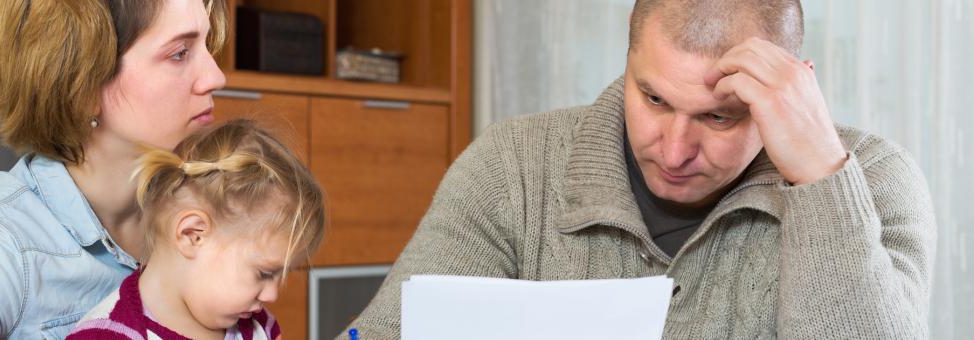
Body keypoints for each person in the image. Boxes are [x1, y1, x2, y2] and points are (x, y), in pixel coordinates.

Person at [343, 0, 937, 338]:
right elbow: (390, 332)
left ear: (791, 93)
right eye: (653, 99)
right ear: (627, 62)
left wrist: (820, 176)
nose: (674, 150)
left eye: (720, 118)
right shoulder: (512, 165)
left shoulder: (876, 182)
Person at [0, 0, 229, 338]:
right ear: (83, 83)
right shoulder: (0, 246)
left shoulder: (213, 205)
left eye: (207, 47)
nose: (215, 77)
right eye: (179, 53)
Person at [65, 119, 326, 340]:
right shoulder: (108, 335)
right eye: (264, 273)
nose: (271, 295)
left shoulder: (259, 328)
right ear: (192, 234)